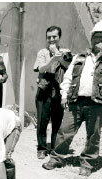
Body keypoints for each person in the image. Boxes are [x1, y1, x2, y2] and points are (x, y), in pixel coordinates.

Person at [42, 20, 102, 176]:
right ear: (90, 39)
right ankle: (56, 158)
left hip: (98, 103)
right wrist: (64, 95)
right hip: (76, 101)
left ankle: (87, 163)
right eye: (95, 37)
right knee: (65, 131)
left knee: (93, 135)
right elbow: (68, 78)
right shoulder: (79, 57)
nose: (98, 40)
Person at [33, 25, 72, 160]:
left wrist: (57, 54)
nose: (51, 39)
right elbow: (41, 69)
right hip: (44, 89)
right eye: (49, 37)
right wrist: (53, 58)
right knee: (42, 121)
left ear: (59, 37)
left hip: (59, 89)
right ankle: (42, 148)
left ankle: (55, 147)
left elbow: (68, 66)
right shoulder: (42, 52)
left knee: (57, 121)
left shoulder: (66, 51)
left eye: (54, 36)